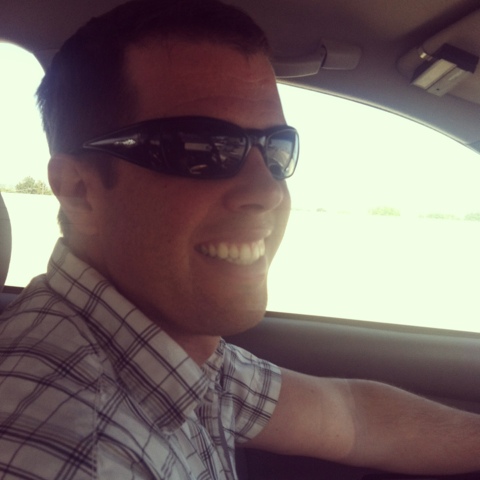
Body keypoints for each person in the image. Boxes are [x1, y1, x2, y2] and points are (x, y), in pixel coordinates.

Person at [0, 0, 479, 478]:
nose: (268, 192)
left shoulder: (163, 349)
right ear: (79, 192)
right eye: (201, 149)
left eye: (276, 149)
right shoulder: (74, 454)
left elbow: (352, 416)